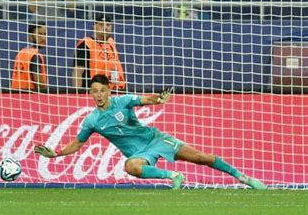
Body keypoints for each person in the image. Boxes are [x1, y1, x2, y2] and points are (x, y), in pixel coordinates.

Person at [35, 74, 267, 190]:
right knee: (131, 167)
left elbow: (146, 99)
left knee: (202, 158)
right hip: (139, 154)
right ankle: (173, 177)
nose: (98, 95)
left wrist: (159, 99)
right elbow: (77, 144)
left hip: (155, 139)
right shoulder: (91, 121)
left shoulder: (123, 101)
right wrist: (55, 154)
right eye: (94, 91)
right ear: (90, 93)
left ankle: (244, 178)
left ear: (109, 91)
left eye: (102, 90)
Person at [72, 14, 126, 91]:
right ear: (94, 26)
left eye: (108, 25)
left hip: (115, 91)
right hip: (94, 92)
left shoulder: (111, 43)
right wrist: (78, 94)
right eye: (101, 24)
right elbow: (78, 71)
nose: (105, 28)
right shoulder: (86, 44)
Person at [11, 23, 48, 91]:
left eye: (45, 34)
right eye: (39, 34)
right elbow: (39, 83)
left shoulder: (21, 53)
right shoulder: (35, 55)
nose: (43, 38)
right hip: (30, 96)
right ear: (30, 36)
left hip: (16, 95)